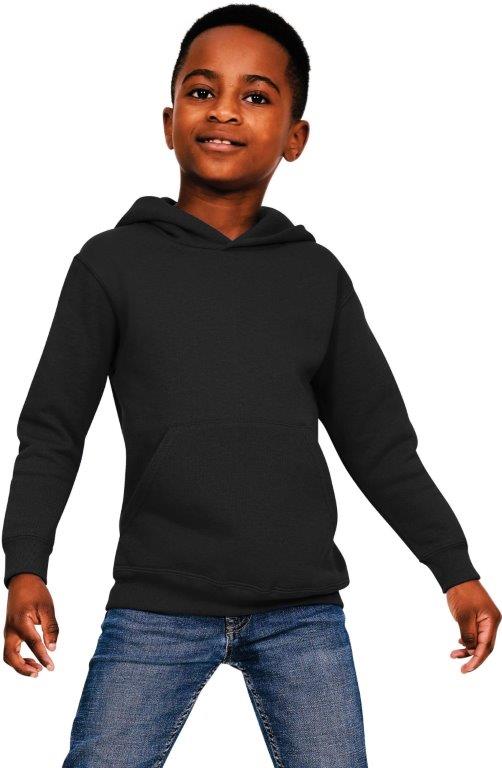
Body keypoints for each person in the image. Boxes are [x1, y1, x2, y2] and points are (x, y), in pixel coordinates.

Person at [2, 4, 500, 767]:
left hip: (302, 613)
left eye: (256, 95)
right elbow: (52, 432)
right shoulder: (112, 265)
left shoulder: (316, 276)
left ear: (295, 137)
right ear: (169, 121)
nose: (225, 110)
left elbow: (380, 445)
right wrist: (26, 565)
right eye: (202, 91)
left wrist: (455, 571)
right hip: (157, 608)